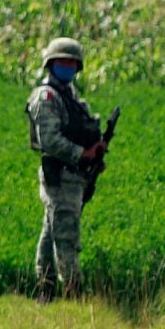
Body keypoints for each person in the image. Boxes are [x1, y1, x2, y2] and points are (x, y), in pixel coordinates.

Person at [26, 37, 106, 303]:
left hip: (74, 175)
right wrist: (81, 153)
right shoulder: (46, 97)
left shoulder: (70, 96)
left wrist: (95, 149)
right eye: (62, 62)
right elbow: (49, 140)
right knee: (66, 236)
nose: (67, 66)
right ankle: (73, 294)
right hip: (60, 174)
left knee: (51, 233)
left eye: (72, 62)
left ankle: (45, 293)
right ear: (51, 64)